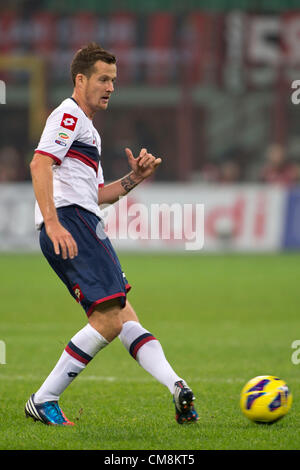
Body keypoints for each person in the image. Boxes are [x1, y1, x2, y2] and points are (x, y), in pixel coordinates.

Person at [25, 43, 198, 426]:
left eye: (114, 81)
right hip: (72, 224)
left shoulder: (88, 130)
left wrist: (134, 178)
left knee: (123, 316)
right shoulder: (68, 115)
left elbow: (98, 195)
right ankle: (44, 398)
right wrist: (53, 223)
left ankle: (178, 387)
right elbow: (40, 164)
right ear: (80, 79)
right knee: (107, 321)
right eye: (103, 79)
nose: (111, 87)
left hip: (84, 221)